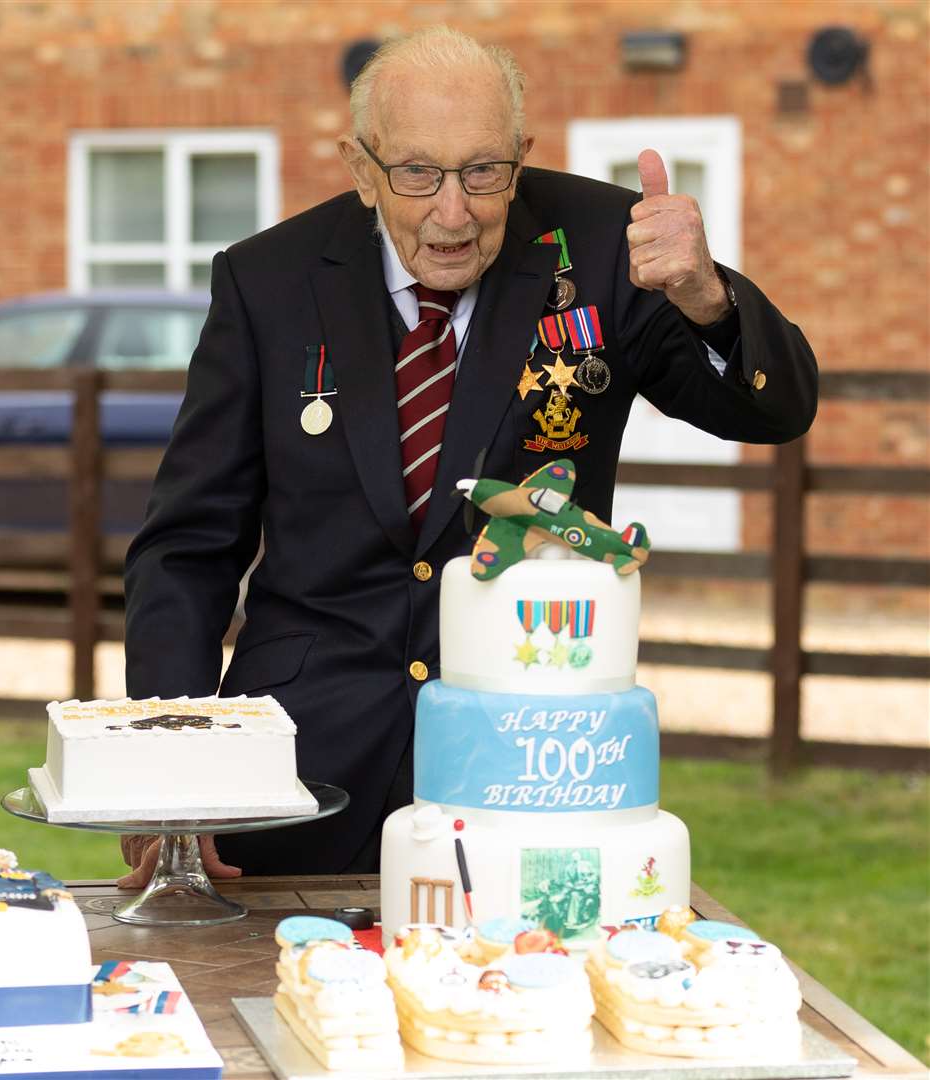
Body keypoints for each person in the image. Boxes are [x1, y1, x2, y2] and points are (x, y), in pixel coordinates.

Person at [118, 26, 817, 887]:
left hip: (526, 766)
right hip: (297, 769)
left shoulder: (605, 248)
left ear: (521, 159)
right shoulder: (268, 281)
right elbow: (189, 545)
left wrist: (707, 295)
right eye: (418, 173)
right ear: (360, 167)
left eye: (484, 172)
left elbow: (775, 410)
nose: (453, 212)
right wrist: (167, 775)